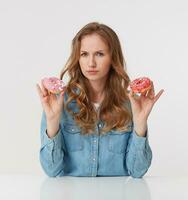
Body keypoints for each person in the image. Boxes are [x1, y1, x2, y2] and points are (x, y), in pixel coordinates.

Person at [36, 22, 164, 178]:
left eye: (99, 54)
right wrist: (52, 122)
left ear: (113, 57)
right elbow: (52, 170)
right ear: (78, 58)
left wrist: (140, 123)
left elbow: (137, 172)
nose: (91, 63)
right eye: (84, 54)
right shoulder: (60, 103)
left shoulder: (130, 104)